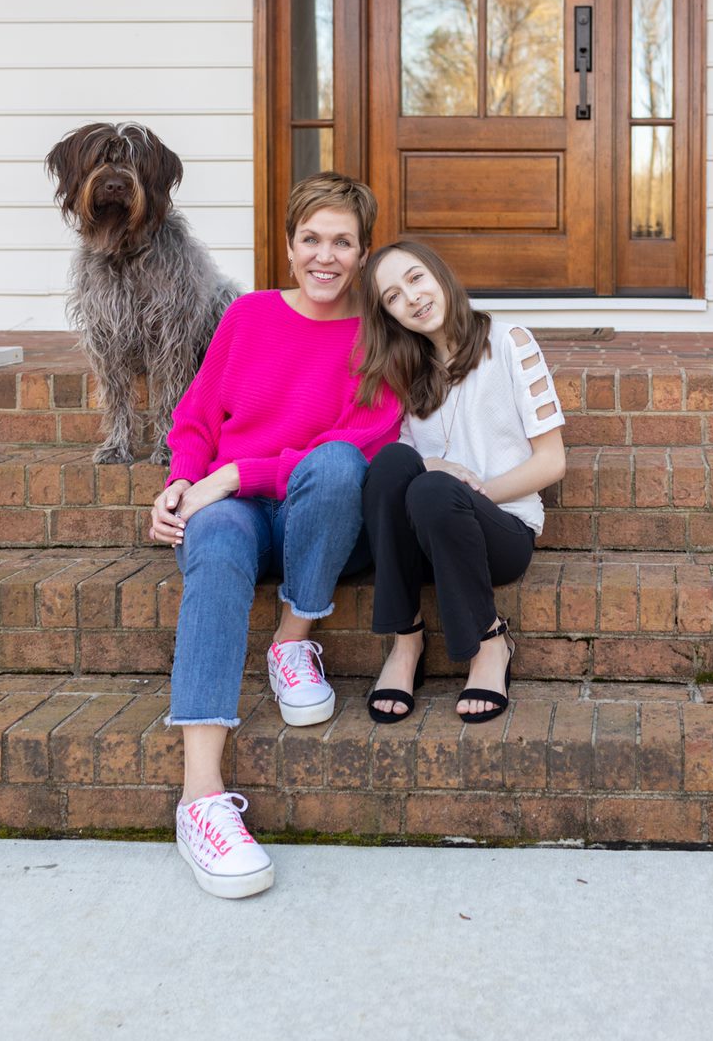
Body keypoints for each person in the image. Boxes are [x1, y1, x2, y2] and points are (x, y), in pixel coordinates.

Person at [150, 173, 401, 899]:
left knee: (334, 462)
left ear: (363, 252)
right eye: (311, 239)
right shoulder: (251, 316)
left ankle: (293, 639)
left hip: (318, 521)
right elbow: (197, 419)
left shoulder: (379, 336)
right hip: (236, 511)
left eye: (343, 242)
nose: (326, 256)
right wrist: (182, 481)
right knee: (220, 540)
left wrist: (233, 476)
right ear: (289, 245)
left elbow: (362, 447)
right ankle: (201, 799)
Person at [356, 241, 566, 725]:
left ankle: (490, 642)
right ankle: (406, 641)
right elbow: (405, 462)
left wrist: (472, 492)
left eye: (415, 279)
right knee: (391, 463)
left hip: (503, 531)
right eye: (392, 297)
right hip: (431, 536)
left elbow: (552, 462)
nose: (410, 298)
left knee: (433, 491)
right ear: (391, 316)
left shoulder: (511, 341)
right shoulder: (409, 373)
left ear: (439, 274)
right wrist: (435, 467)